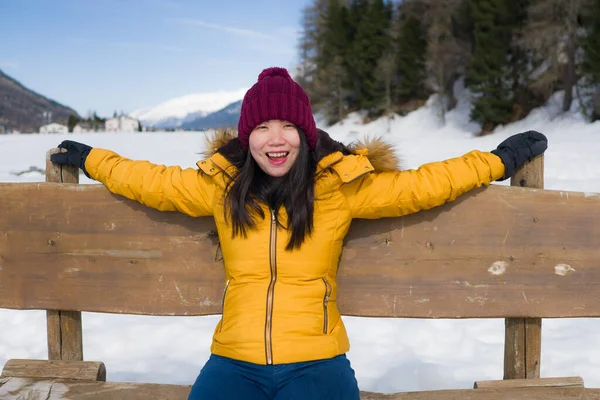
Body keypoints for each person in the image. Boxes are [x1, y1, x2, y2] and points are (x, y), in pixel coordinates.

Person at [51, 66, 548, 400]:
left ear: (305, 134)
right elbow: (154, 183)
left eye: (286, 125)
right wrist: (96, 160)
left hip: (317, 361)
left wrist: (494, 162)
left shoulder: (340, 186)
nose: (274, 138)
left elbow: (420, 187)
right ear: (247, 137)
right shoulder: (221, 187)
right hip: (234, 362)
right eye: (262, 126)